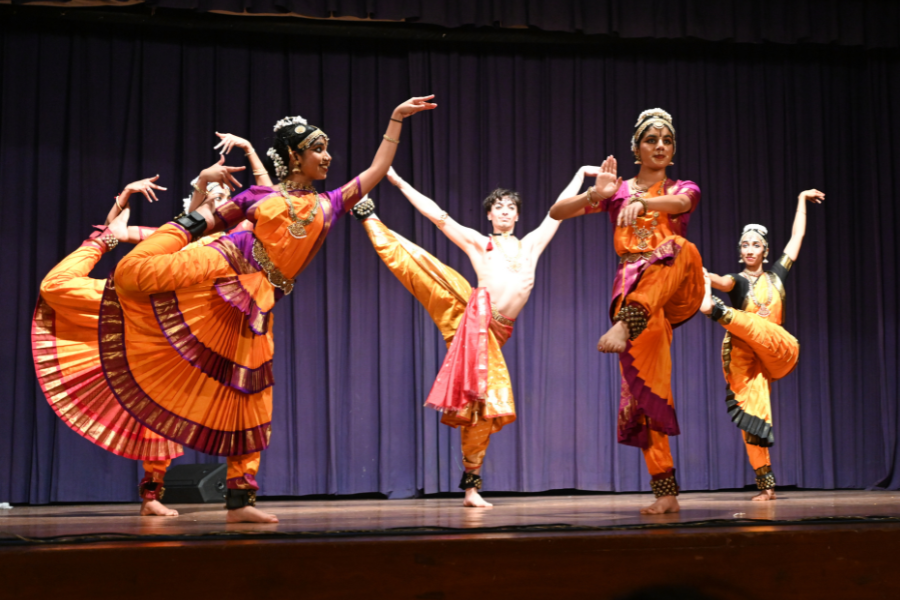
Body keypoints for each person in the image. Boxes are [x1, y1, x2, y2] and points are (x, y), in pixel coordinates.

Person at [108, 96, 435, 523]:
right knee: (132, 275)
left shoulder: (330, 202)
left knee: (253, 398)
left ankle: (240, 502)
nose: (327, 156)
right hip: (221, 264)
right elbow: (202, 224)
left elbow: (375, 170)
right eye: (318, 149)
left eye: (327, 148)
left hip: (257, 304)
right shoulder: (258, 196)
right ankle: (153, 486)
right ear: (295, 157)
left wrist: (395, 119)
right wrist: (189, 205)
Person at [351, 166, 565, 507]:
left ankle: (471, 488)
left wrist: (582, 175)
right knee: (426, 269)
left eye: (511, 207)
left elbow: (558, 211)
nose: (505, 211)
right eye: (498, 207)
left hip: (494, 334)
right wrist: (399, 181)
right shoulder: (481, 243)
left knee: (480, 407)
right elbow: (437, 215)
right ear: (490, 215)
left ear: (518, 215)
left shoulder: (530, 246)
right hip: (470, 316)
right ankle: (368, 215)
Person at [549, 109, 704, 514]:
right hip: (633, 292)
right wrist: (596, 195)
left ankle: (625, 323)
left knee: (680, 247)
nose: (660, 146)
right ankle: (666, 492)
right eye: (651, 140)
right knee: (647, 393)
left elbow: (683, 202)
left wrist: (644, 200)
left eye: (667, 140)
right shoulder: (616, 191)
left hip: (676, 285)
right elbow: (556, 213)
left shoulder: (681, 187)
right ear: (636, 149)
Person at [701, 189, 823, 500]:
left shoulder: (777, 276)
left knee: (763, 327)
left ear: (766, 251)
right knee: (753, 418)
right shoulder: (736, 280)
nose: (749, 249)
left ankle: (715, 310)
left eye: (755, 245)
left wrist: (800, 199)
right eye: (745, 245)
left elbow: (797, 236)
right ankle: (767, 487)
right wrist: (698, 273)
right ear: (739, 250)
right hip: (743, 356)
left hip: (777, 348)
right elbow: (719, 280)